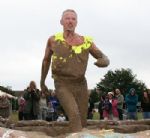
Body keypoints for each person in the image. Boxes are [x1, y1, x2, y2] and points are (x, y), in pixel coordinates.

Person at [40, 9, 109, 132]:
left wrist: (104, 61)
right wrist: (42, 82)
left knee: (82, 121)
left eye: (73, 19)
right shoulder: (53, 40)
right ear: (61, 21)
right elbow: (46, 61)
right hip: (62, 83)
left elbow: (103, 56)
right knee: (74, 115)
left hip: (80, 84)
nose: (70, 21)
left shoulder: (86, 41)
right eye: (67, 18)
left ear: (76, 22)